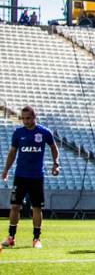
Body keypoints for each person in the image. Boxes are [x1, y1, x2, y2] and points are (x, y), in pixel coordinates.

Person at [1, 106, 59, 249]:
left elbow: (53, 148)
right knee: (15, 206)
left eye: (28, 118)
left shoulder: (44, 132)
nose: (25, 121)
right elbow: (13, 152)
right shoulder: (18, 133)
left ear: (34, 117)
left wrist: (56, 164)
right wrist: (6, 170)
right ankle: (11, 237)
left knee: (36, 208)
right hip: (20, 176)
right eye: (23, 118)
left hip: (36, 177)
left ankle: (36, 238)